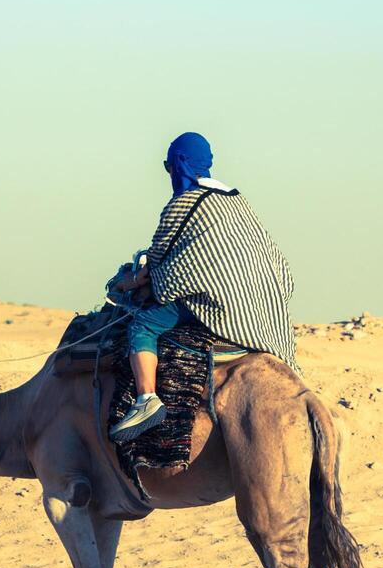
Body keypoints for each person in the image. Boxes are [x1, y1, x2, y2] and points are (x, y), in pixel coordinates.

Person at [109, 131, 298, 444]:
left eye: (168, 165)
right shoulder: (236, 200)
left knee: (143, 324)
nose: (169, 172)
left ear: (180, 164)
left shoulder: (184, 204)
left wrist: (129, 281)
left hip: (219, 304)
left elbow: (157, 266)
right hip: (262, 308)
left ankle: (146, 400)